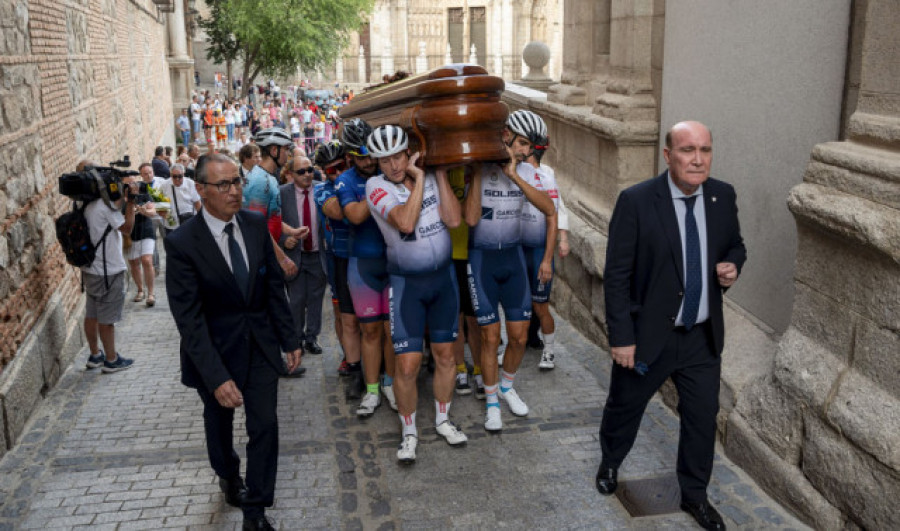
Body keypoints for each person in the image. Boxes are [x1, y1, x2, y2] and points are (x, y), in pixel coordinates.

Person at [596, 121, 745, 531]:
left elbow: (736, 244)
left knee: (701, 419)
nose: (697, 159)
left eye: (705, 150)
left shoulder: (721, 196)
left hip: (701, 338)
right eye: (687, 150)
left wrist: (734, 264)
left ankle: (695, 497)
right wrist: (622, 337)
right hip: (648, 338)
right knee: (624, 407)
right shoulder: (638, 201)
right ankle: (610, 461)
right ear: (668, 155)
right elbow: (617, 275)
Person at [165, 153, 302, 531]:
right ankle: (228, 474)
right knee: (219, 426)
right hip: (214, 351)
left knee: (265, 427)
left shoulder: (256, 225)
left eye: (237, 181)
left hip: (259, 345)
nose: (234, 191)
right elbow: (188, 320)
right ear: (201, 189)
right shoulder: (182, 243)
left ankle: (255, 512)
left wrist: (289, 338)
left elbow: (273, 286)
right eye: (223, 185)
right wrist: (216, 377)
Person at [364, 125, 467, 463]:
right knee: (407, 366)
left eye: (398, 156)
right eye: (385, 159)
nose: (393, 165)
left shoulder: (431, 177)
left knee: (446, 356)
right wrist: (421, 180)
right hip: (407, 284)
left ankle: (442, 419)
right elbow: (406, 223)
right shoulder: (375, 187)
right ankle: (409, 432)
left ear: (409, 153)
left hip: (443, 280)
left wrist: (437, 174)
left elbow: (453, 221)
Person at [464, 133, 555, 432]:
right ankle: (491, 402)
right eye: (518, 144)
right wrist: (477, 175)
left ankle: (506, 386)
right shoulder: (480, 168)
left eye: (527, 146)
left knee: (519, 336)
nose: (522, 150)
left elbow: (549, 209)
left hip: (513, 259)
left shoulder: (528, 172)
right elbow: (472, 219)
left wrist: (515, 175)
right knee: (490, 337)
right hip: (482, 260)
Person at [335, 118, 397, 416]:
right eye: (361, 156)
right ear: (350, 156)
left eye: (371, 154)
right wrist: (377, 191)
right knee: (370, 331)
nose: (369, 161)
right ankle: (371, 391)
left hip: (395, 263)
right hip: (362, 265)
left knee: (392, 330)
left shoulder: (392, 175)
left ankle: (389, 383)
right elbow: (355, 215)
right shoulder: (346, 180)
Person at [506, 110, 561, 370]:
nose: (521, 148)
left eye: (525, 144)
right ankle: (515, 345)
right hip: (518, 248)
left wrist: (548, 260)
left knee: (541, 307)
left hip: (538, 248)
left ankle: (549, 349)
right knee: (517, 305)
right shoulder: (510, 170)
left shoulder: (544, 176)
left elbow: (553, 217)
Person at [313, 141, 364, 397]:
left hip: (366, 257)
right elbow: (338, 212)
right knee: (347, 318)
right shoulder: (322, 190)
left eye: (342, 166)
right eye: (331, 170)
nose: (337, 173)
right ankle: (353, 364)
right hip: (339, 259)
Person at [79, 160, 136, 373]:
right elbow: (127, 228)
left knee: (92, 313)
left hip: (89, 268)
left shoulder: (81, 203)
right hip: (108, 271)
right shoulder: (103, 206)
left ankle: (95, 355)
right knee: (106, 318)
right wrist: (130, 202)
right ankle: (111, 360)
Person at [279, 155, 325, 356]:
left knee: (316, 299)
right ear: (290, 174)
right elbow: (272, 223)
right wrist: (283, 240)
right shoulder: (282, 194)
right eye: (301, 171)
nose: (307, 174)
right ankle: (296, 338)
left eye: (310, 170)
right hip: (294, 254)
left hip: (318, 254)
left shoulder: (322, 188)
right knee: (296, 300)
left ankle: (311, 338)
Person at [243, 127, 299, 279]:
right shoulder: (260, 181)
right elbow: (257, 226)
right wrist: (283, 259)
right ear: (274, 150)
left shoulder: (269, 177)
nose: (288, 154)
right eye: (286, 149)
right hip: (262, 258)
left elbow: (270, 216)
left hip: (268, 254)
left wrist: (292, 231)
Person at [128, 163, 161, 307]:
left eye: (133, 181)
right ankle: (140, 290)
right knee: (134, 263)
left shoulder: (143, 190)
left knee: (147, 260)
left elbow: (153, 211)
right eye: (128, 182)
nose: (131, 184)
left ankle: (151, 293)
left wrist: (141, 210)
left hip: (145, 228)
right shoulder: (121, 195)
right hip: (130, 232)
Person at [157, 164, 201, 233]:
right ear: (171, 175)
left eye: (180, 176)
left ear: (183, 174)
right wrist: (168, 218)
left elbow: (197, 203)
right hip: (171, 225)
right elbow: (160, 207)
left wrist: (200, 220)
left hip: (189, 223)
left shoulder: (191, 184)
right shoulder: (164, 185)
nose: (177, 179)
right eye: (174, 176)